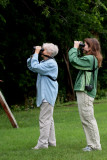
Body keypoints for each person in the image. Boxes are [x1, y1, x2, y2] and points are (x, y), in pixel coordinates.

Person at [68, 38, 103, 152]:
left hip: (85, 92)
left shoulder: (90, 59)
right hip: (84, 92)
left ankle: (95, 145)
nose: (84, 47)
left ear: (91, 48)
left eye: (86, 45)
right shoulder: (90, 58)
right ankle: (91, 144)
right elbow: (78, 60)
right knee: (86, 119)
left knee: (88, 119)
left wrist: (74, 48)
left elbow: (74, 61)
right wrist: (78, 50)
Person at [27, 43, 59, 149]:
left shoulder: (50, 63)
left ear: (49, 53)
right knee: (49, 119)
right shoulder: (45, 62)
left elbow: (35, 66)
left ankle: (42, 144)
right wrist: (33, 55)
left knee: (44, 119)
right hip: (46, 93)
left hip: (47, 94)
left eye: (43, 49)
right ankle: (51, 142)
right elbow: (32, 66)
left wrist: (36, 53)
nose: (41, 50)